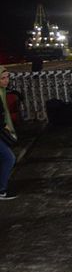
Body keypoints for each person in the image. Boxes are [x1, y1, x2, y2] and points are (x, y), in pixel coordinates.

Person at [0, 67, 17, 200]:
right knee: (9, 158)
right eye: (2, 78)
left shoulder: (2, 92)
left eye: (7, 77)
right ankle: (1, 190)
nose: (6, 80)